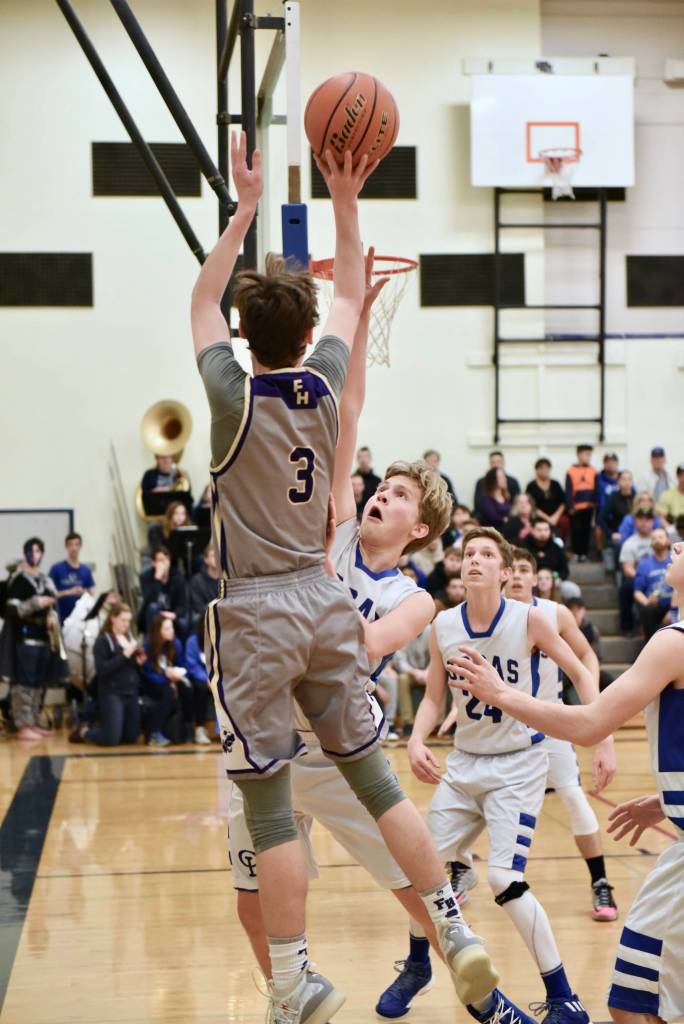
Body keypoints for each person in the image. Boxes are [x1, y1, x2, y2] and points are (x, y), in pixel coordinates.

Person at [191, 134, 499, 1023]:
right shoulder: (326, 392)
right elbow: (356, 296)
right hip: (324, 605)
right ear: (303, 330)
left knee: (269, 810)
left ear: (247, 336)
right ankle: (455, 926)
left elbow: (202, 299)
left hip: (254, 612)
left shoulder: (228, 397)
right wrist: (345, 192)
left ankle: (293, 981)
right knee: (377, 784)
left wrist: (245, 206)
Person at [446, 541, 684, 1024]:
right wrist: (666, 800)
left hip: (543, 732)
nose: (675, 544)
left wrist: (499, 693)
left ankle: (598, 886)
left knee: (631, 1003)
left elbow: (591, 722)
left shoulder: (673, 641)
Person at [399, 527, 615, 1024]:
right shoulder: (443, 624)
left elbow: (583, 673)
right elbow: (433, 696)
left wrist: (601, 736)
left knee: (504, 877)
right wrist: (415, 740)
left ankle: (565, 998)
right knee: (419, 869)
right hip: (464, 763)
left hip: (519, 764)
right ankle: (416, 965)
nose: (475, 560)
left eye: (486, 554)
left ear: (504, 570)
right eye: (468, 553)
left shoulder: (531, 619)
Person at [505, 550, 617, 919]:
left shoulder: (555, 614)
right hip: (502, 723)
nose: (518, 576)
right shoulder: (490, 613)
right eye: (513, 570)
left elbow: (587, 658)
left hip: (551, 721)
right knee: (477, 801)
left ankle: (600, 883)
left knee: (572, 796)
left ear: (536, 578)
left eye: (525, 570)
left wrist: (600, 722)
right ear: (502, 575)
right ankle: (461, 871)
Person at [1, 538, 66, 740]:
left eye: (38, 551)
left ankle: (34, 719)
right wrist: (36, 602)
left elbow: (53, 604)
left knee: (39, 683)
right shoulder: (18, 580)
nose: (35, 555)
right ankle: (22, 723)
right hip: (25, 638)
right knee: (24, 684)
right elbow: (13, 608)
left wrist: (52, 617)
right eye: (31, 551)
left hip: (44, 639)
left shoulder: (46, 580)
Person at [69, 603, 143, 747]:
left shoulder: (129, 638)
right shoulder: (103, 640)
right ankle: (84, 732)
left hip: (130, 691)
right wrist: (124, 655)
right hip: (112, 692)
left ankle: (109, 728)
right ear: (113, 619)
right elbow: (102, 670)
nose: (126, 624)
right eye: (123, 620)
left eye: (129, 621)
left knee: (131, 737)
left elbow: (129, 666)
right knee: (111, 739)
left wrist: (138, 662)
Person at [142, 616, 185, 746]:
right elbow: (147, 673)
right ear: (158, 631)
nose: (171, 631)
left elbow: (182, 664)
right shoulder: (148, 646)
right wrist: (167, 679)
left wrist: (176, 676)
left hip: (170, 680)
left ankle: (187, 730)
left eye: (172, 627)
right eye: (167, 628)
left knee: (187, 689)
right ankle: (154, 732)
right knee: (168, 692)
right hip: (151, 683)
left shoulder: (175, 643)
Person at [618, 509, 656, 636]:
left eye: (647, 519)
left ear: (653, 522)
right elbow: (627, 568)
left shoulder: (661, 538)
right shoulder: (629, 543)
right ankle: (627, 627)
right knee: (626, 588)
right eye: (641, 519)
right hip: (639, 578)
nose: (644, 522)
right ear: (635, 522)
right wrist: (644, 577)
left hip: (662, 578)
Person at [633, 528, 673, 640]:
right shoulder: (644, 564)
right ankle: (653, 646)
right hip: (654, 606)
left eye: (660, 537)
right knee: (647, 610)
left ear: (668, 540)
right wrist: (647, 602)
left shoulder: (677, 560)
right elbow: (637, 592)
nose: (657, 540)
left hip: (675, 603)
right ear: (650, 542)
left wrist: (674, 609)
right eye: (654, 538)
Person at [138, 546, 187, 636]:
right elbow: (149, 602)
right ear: (154, 563)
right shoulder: (145, 577)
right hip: (154, 614)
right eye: (161, 560)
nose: (165, 563)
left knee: (184, 623)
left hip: (171, 613)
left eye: (167, 559)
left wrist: (175, 614)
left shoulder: (178, 577)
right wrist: (157, 579)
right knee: (152, 608)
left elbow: (182, 604)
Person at [48, 532, 96, 622]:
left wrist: (83, 592)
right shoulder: (56, 569)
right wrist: (68, 592)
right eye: (71, 545)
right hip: (61, 618)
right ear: (66, 547)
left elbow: (92, 593)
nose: (74, 548)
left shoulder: (86, 570)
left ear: (80, 547)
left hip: (81, 619)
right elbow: (49, 594)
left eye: (76, 544)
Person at [565, 445, 598, 561]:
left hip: (588, 507)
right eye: (586, 454)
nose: (588, 457)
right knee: (576, 531)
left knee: (587, 531)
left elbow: (596, 489)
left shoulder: (593, 471)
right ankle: (576, 553)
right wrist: (569, 506)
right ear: (579, 455)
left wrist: (594, 502)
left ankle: (584, 554)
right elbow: (568, 489)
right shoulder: (571, 471)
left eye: (589, 455)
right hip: (576, 507)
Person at [183, 617, 212, 744]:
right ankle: (200, 728)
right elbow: (192, 665)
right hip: (200, 678)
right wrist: (206, 679)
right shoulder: (193, 641)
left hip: (218, 677)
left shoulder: (222, 638)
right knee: (200, 688)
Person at [526, 458, 566, 532]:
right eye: (541, 468)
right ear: (536, 470)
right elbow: (531, 505)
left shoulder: (555, 484)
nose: (544, 470)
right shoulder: (531, 486)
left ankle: (561, 542)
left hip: (556, 515)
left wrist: (555, 517)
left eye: (547, 468)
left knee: (565, 521)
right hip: (539, 516)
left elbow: (563, 502)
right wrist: (548, 519)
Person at [189, 543, 219, 623]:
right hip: (205, 615)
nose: (217, 558)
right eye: (213, 555)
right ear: (206, 560)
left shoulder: (227, 578)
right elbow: (198, 606)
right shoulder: (197, 580)